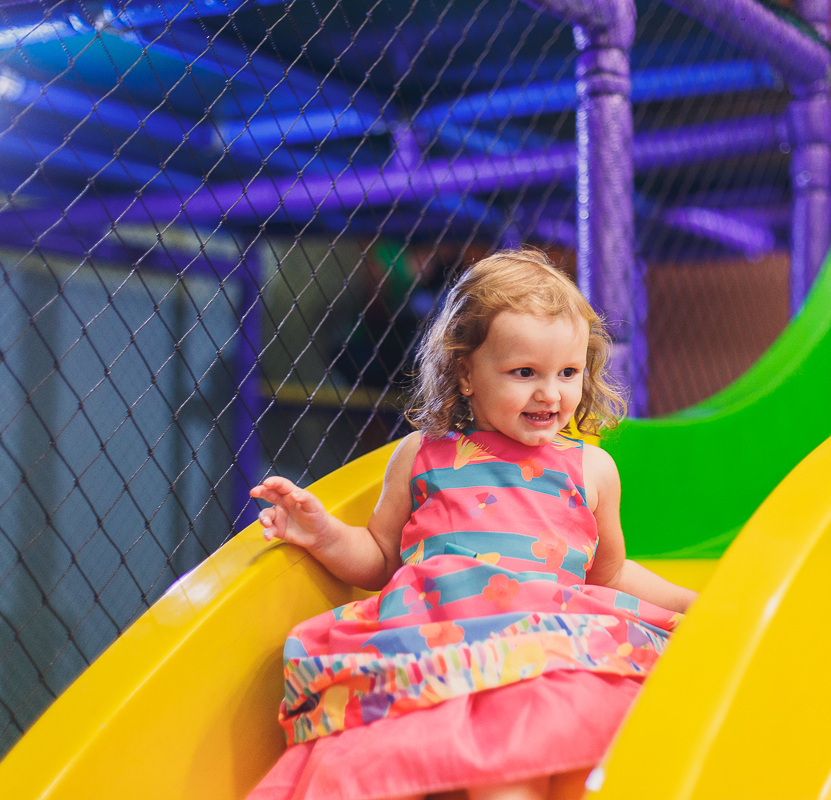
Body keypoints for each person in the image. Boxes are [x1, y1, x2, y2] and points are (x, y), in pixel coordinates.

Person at [247, 248, 697, 800]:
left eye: (568, 372)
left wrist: (689, 603)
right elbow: (381, 559)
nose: (550, 393)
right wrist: (322, 533)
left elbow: (608, 574)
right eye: (524, 372)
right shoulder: (422, 453)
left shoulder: (591, 467)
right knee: (385, 762)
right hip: (435, 638)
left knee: (516, 759)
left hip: (538, 639)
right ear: (465, 372)